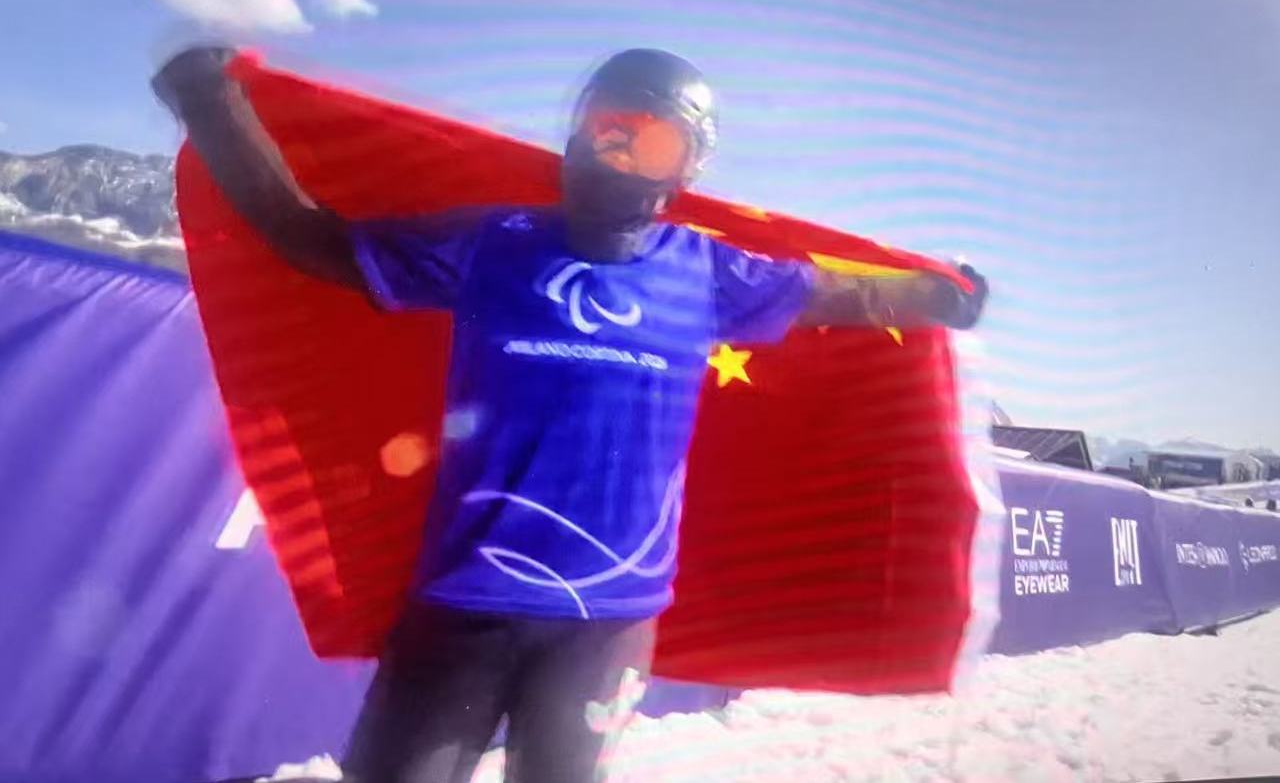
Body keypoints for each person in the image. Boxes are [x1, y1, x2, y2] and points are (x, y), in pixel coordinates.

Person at [152, 45, 988, 783]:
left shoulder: (708, 273)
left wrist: (942, 297)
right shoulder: (493, 243)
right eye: (608, 129)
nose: (620, 155)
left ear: (687, 167)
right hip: (462, 605)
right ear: (577, 130)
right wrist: (212, 104)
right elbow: (310, 240)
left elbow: (848, 294)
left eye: (652, 142)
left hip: (607, 629)